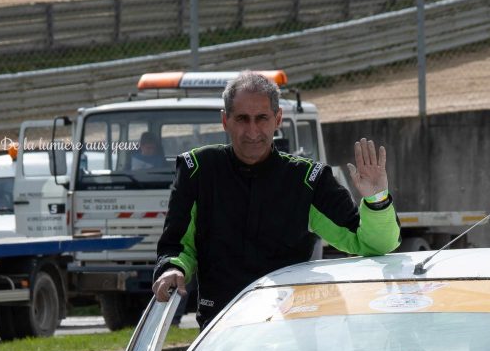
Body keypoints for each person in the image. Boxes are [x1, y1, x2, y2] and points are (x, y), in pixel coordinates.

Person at [151, 71, 400, 328]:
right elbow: (176, 245)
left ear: (277, 119)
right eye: (242, 119)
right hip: (220, 332)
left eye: (262, 118)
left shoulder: (308, 179)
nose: (252, 131)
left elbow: (371, 245)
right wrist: (173, 268)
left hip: (290, 331)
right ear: (225, 121)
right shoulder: (197, 170)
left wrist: (377, 199)